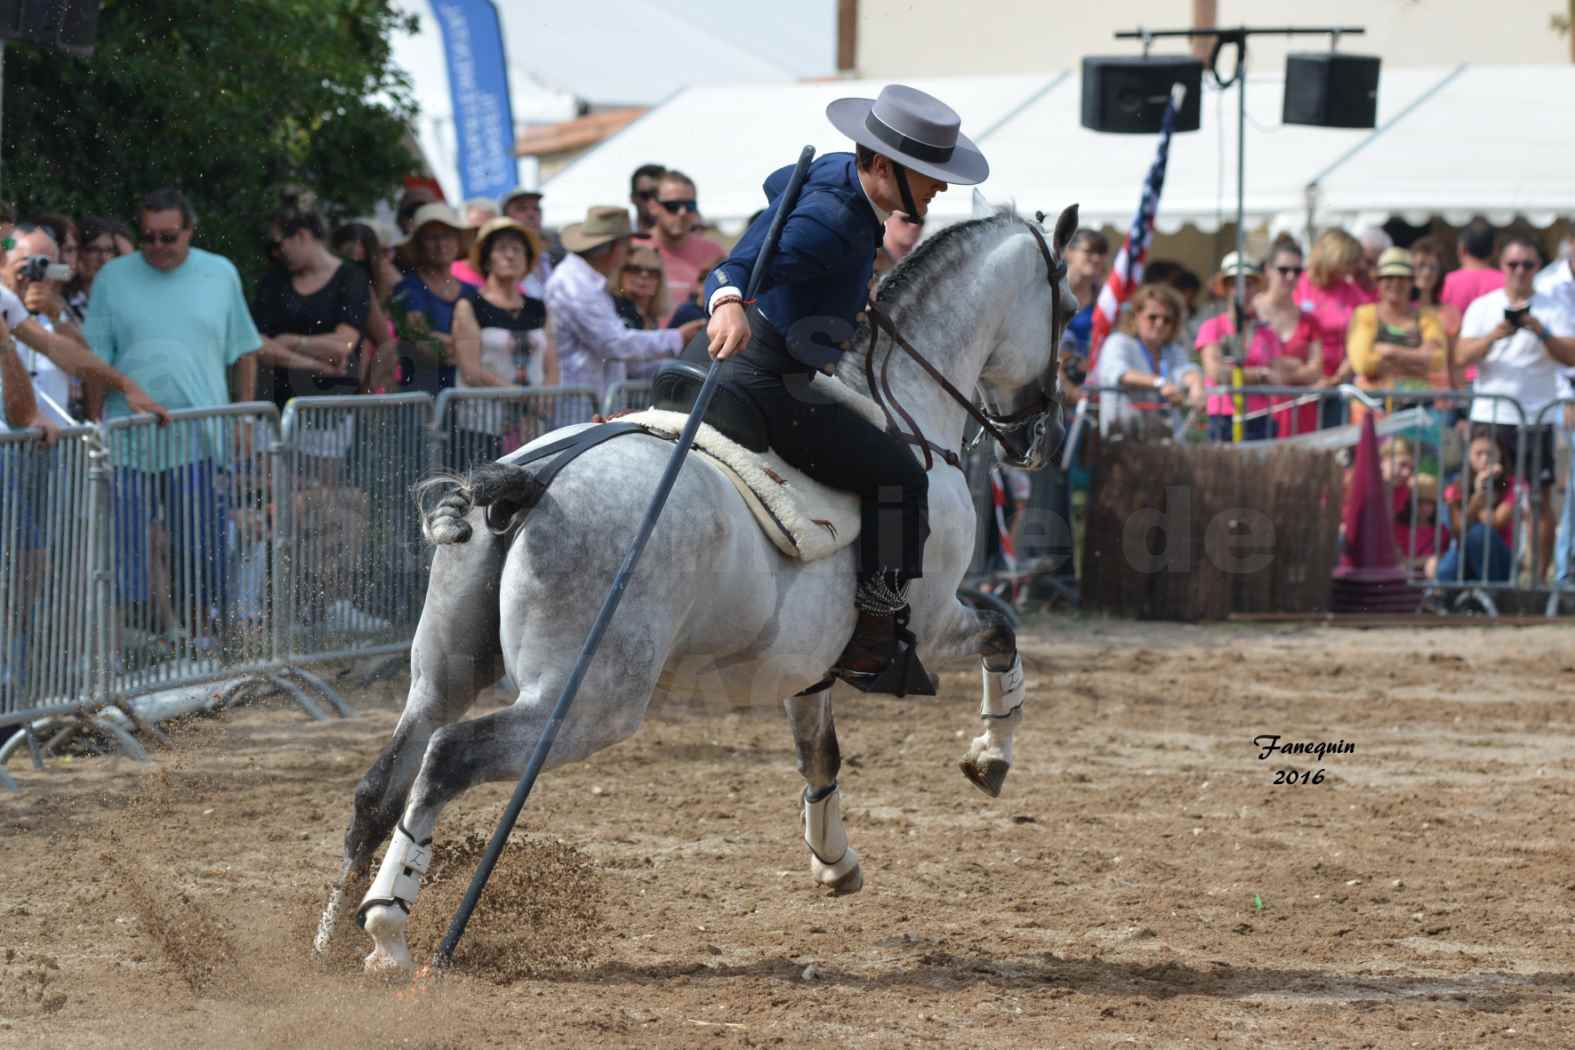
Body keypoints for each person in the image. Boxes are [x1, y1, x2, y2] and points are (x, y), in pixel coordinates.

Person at [702, 84, 989, 692]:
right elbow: (746, 261)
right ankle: (872, 639)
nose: (940, 187)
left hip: (771, 359)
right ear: (882, 165)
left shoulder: (839, 173)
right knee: (903, 478)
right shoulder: (830, 222)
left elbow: (780, 181)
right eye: (929, 174)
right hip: (769, 379)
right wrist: (727, 298)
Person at [84, 187, 263, 639]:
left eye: (169, 237)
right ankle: (133, 645)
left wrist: (242, 418)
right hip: (127, 436)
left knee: (201, 544)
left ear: (189, 231)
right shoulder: (112, 278)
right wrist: (94, 424)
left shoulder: (220, 273)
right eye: (149, 238)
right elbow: (92, 362)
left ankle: (205, 642)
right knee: (125, 547)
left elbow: (245, 351)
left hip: (199, 436)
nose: (159, 248)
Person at [1456, 234, 1575, 577]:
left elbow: (1570, 354)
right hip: (1492, 418)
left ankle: (1537, 581)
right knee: (1488, 492)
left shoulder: (1555, 306)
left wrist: (1541, 332)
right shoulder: (1484, 306)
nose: (1520, 272)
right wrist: (1495, 336)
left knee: (1538, 500)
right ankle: (1483, 574)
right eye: (1512, 264)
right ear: (1501, 266)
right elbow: (1461, 356)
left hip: (1535, 420)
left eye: (1528, 264)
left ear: (1539, 267)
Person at [4, 225, 166, 425]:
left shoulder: (36, 312)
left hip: (48, 447)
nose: (35, 275)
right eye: (26, 264)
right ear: (3, 261)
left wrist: (126, 386)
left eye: (46, 266)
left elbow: (73, 355)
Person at [546, 206, 702, 400]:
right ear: (613, 247)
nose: (628, 253)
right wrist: (677, 338)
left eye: (652, 273)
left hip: (593, 403)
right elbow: (614, 344)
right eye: (627, 247)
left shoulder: (585, 281)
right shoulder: (574, 283)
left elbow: (619, 356)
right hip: (579, 408)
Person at [451, 217, 555, 460]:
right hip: (483, 426)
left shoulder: (540, 308)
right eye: (502, 249)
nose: (510, 256)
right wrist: (521, 395)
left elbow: (552, 366)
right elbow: (470, 371)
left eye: (518, 249)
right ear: (487, 258)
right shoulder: (469, 307)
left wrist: (547, 398)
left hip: (533, 426)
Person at [252, 203, 370, 409]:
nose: (276, 253)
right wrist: (315, 363)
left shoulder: (352, 278)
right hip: (274, 409)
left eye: (279, 244)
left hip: (330, 413)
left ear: (302, 235)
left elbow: (343, 345)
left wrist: (289, 342)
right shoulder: (274, 280)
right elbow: (254, 343)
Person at [1346, 248, 1450, 418]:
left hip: (1417, 414)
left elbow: (1436, 360)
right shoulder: (1364, 315)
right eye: (1389, 277)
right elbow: (1363, 363)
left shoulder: (1428, 318)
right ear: (1378, 281)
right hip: (1371, 414)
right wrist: (1418, 360)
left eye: (1402, 278)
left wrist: (1390, 351)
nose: (1395, 283)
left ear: (1411, 282)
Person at [1093, 283, 1205, 439]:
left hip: (1167, 441)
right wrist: (1160, 383)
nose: (1160, 324)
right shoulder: (1118, 342)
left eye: (1167, 320)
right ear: (1136, 316)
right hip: (1123, 438)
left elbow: (1187, 371)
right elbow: (1119, 372)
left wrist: (1196, 388)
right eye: (1153, 317)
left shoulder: (1172, 350)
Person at [390, 203, 477, 395]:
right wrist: (469, 348)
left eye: (447, 235)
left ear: (457, 240)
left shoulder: (473, 292)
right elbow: (422, 343)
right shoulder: (406, 290)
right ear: (419, 245)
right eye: (431, 238)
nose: (441, 244)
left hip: (466, 399)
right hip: (421, 399)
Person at [1195, 252, 1278, 442]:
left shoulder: (1267, 332)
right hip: (1223, 417)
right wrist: (1260, 375)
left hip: (1260, 418)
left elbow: (1277, 374)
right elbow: (1216, 373)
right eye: (1235, 284)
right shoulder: (1212, 327)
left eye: (1248, 284)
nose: (1243, 291)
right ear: (1226, 288)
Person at [1296, 229, 1372, 427]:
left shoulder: (1352, 293)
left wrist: (1337, 378)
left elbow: (1362, 339)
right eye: (1348, 262)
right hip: (1298, 384)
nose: (1353, 268)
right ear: (1333, 257)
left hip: (1336, 386)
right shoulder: (1298, 285)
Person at [1249, 239, 1324, 438]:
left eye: (1297, 271)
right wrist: (1295, 366)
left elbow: (1316, 371)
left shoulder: (1309, 321)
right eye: (1283, 270)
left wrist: (1276, 373)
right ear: (1268, 270)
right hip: (1256, 414)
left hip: (1299, 415)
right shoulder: (1250, 313)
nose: (1291, 276)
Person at [1435, 426, 1517, 584]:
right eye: (1479, 453)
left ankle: (1493, 593)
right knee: (1445, 570)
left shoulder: (1511, 484)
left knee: (1479, 533)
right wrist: (1478, 495)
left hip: (1500, 560)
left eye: (1490, 453)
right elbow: (1458, 529)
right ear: (1469, 455)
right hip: (1464, 553)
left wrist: (1476, 505)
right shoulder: (1456, 486)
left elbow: (1497, 522)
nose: (1485, 459)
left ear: (1500, 454)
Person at [330, 221, 401, 393]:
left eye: (361, 266)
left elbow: (386, 344)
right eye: (347, 263)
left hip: (370, 391)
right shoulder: (332, 286)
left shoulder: (381, 288)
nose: (354, 274)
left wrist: (366, 394)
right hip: (342, 387)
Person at [650, 170, 726, 322]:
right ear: (653, 207)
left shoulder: (713, 252)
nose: (682, 212)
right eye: (672, 206)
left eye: (690, 205)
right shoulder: (634, 249)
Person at [1056, 228, 1110, 402]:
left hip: (1089, 389)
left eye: (1101, 253)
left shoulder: (1105, 300)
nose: (1096, 258)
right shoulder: (1051, 293)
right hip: (1051, 383)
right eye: (1089, 251)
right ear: (1069, 252)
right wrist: (1064, 385)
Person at [1440, 220, 1504, 321]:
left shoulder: (1449, 281)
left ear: (1462, 249)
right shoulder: (1505, 280)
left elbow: (1445, 321)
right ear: (1494, 250)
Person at [612, 242, 670, 332]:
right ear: (620, 273)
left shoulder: (651, 317)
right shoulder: (611, 308)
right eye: (635, 269)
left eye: (652, 272)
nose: (644, 275)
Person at [629, 163, 666, 235]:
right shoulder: (620, 238)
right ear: (633, 198)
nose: (652, 201)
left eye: (658, 195)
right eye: (645, 195)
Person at [1354, 226, 1392, 296]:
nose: (1361, 266)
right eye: (1357, 260)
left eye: (1370, 262)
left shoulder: (1389, 296)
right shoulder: (1339, 287)